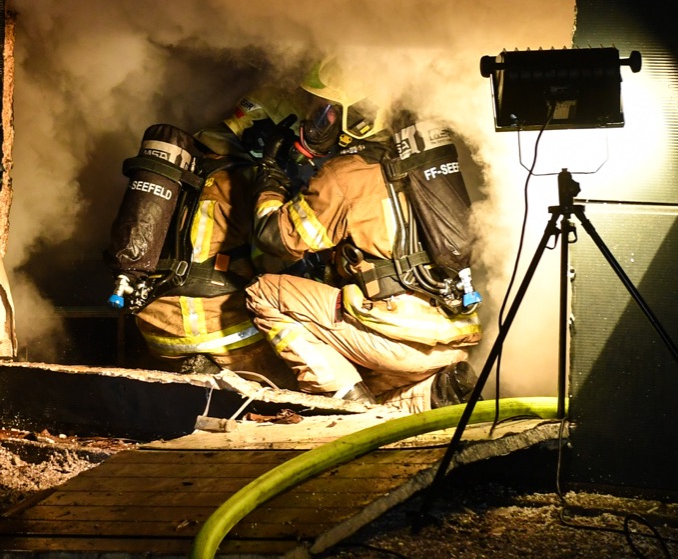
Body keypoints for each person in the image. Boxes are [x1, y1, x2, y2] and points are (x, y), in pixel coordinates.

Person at [245, 58, 482, 413]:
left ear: (358, 118)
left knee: (265, 292)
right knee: (358, 350)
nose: (314, 123)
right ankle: (429, 394)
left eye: (324, 114)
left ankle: (344, 401)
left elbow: (278, 240)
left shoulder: (345, 174)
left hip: (395, 341)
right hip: (453, 340)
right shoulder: (422, 167)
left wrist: (270, 182)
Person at [106, 85, 309, 385]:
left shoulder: (176, 172)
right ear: (270, 137)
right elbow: (275, 258)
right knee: (299, 378)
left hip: (158, 332)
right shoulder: (253, 181)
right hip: (225, 333)